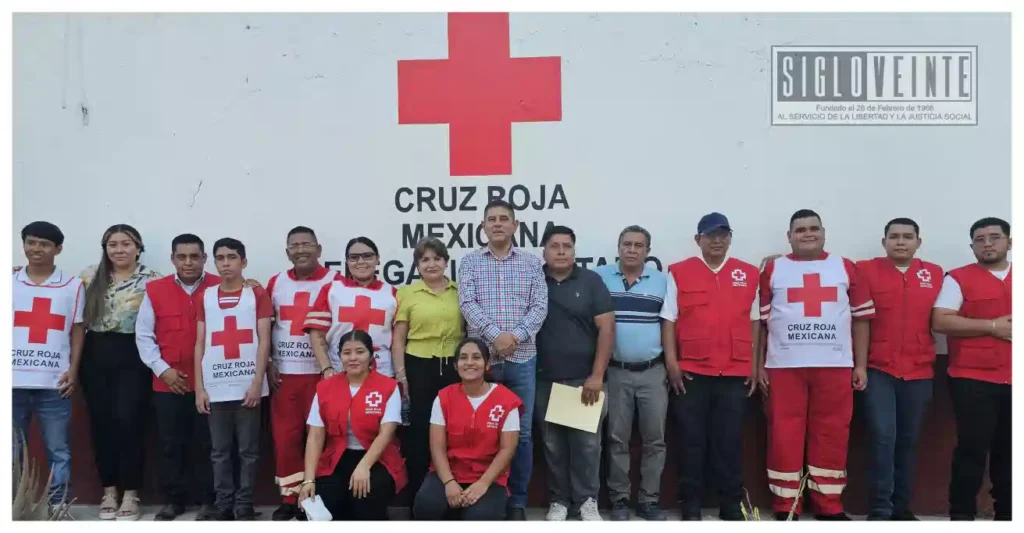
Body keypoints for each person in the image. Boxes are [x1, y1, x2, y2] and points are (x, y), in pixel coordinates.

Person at [756, 209, 874, 521]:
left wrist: (860, 365)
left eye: (813, 229)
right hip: (784, 367)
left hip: (835, 365)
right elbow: (760, 323)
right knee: (784, 434)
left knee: (832, 433)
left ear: (824, 232)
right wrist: (759, 366)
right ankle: (786, 505)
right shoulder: (772, 269)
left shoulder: (845, 267)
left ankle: (829, 506)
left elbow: (862, 320)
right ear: (789, 236)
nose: (807, 234)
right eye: (800, 230)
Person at [660, 213, 760, 521]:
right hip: (691, 373)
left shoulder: (748, 273)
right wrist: (672, 364)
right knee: (691, 441)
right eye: (710, 235)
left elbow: (756, 322)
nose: (717, 240)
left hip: (734, 373)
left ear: (730, 237)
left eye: (723, 234)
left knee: (728, 442)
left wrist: (754, 367)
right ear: (698, 239)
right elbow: (669, 320)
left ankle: (731, 506)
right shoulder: (679, 272)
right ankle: (690, 505)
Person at [457, 199, 547, 520]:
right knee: (482, 430)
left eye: (503, 219)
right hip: (483, 363)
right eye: (491, 219)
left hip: (523, 360)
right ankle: (487, 494)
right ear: (483, 226)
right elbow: (467, 304)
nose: (497, 224)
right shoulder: (468, 263)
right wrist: (495, 336)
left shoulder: (532, 263)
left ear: (515, 225)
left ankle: (517, 501)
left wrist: (516, 337)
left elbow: (539, 307)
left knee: (521, 434)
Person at [856, 218, 943, 521]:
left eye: (908, 236)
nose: (901, 242)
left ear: (919, 242)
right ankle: (881, 508)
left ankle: (902, 508)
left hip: (920, 371)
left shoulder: (933, 274)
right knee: (883, 437)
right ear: (884, 242)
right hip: (879, 369)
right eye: (894, 237)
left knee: (908, 439)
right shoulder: (865, 269)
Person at [78, 223, 161, 520]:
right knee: (102, 424)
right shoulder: (88, 277)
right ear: (105, 249)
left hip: (134, 355)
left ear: (138, 248)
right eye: (113, 244)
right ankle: (109, 490)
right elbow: (59, 295)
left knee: (130, 422)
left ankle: (131, 493)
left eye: (126, 244)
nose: (119, 250)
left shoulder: (152, 280)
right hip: (96, 354)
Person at [135, 234, 221, 521]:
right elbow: (144, 336)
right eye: (181, 256)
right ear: (172, 259)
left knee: (210, 444)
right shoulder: (155, 290)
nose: (188, 262)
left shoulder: (221, 287)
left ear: (204, 258)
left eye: (194, 256)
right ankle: (174, 500)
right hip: (167, 382)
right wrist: (163, 370)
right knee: (171, 444)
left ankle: (209, 501)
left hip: (211, 383)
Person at [932, 217, 1012, 522]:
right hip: (972, 379)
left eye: (995, 237)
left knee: (1010, 454)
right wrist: (992, 327)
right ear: (972, 246)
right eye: (980, 239)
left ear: (1009, 242)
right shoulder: (959, 278)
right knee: (972, 451)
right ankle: (961, 518)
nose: (988, 243)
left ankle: (1008, 517)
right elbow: (941, 320)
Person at [534, 225, 615, 522]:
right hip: (545, 379)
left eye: (567, 246)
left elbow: (606, 329)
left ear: (574, 251)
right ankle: (559, 501)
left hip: (585, 381)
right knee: (553, 446)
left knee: (587, 446)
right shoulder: (533, 280)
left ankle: (587, 501)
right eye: (554, 246)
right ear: (543, 251)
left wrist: (596, 376)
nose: (560, 251)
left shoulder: (591, 281)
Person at [265, 226, 342, 520]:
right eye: (294, 246)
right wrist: (270, 361)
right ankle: (289, 498)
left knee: (323, 437)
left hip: (323, 375)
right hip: (285, 374)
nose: (300, 250)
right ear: (287, 252)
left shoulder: (336, 282)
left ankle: (315, 496)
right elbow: (266, 325)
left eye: (306, 244)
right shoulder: (276, 282)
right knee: (286, 438)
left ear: (319, 249)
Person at [194, 238, 272, 521]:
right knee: (219, 451)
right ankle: (223, 505)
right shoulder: (206, 296)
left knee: (248, 450)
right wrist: (199, 388)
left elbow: (264, 341)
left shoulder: (257, 294)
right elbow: (200, 343)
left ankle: (244, 506)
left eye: (232, 257)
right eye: (220, 258)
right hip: (215, 386)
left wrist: (256, 382)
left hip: (247, 385)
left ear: (244, 261)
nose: (226, 263)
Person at [594, 225, 669, 521]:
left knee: (655, 439)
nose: (632, 250)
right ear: (618, 247)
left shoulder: (662, 282)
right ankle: (620, 500)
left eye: (639, 245)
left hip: (653, 371)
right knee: (616, 439)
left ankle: (649, 500)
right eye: (627, 244)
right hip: (615, 371)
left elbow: (670, 325)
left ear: (648, 252)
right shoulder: (600, 278)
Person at [12, 221, 85, 510]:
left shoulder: (73, 285)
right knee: (11, 450)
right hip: (12, 381)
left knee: (59, 450)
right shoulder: (10, 282)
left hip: (54, 383)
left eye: (44, 244)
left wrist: (74, 370)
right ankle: (13, 507)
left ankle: (58, 507)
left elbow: (77, 329)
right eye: (31, 242)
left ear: (58, 249)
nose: (36, 249)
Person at [298, 329, 407, 521]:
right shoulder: (325, 388)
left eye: (360, 352)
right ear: (339, 356)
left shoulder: (388, 387)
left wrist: (364, 466)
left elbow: (386, 433)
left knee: (366, 494)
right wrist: (308, 479)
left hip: (377, 457)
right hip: (337, 458)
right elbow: (315, 435)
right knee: (325, 503)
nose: (353, 358)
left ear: (371, 355)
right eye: (347, 353)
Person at [413, 338, 523, 521]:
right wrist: (449, 482)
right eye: (463, 358)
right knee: (426, 506)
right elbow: (437, 447)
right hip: (449, 471)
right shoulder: (443, 397)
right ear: (456, 365)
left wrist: (483, 484)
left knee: (479, 517)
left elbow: (507, 449)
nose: (470, 362)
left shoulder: (507, 400)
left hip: (488, 475)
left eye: (476, 357)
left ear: (487, 364)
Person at [392, 237, 464, 500]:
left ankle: (453, 489)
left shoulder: (460, 290)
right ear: (417, 265)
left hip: (455, 368)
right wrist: (402, 375)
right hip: (418, 365)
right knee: (420, 431)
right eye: (424, 259)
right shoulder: (407, 293)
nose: (431, 264)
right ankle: (419, 494)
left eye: (437, 258)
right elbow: (399, 339)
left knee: (453, 428)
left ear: (446, 262)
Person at [305, 237, 398, 378]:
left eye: (367, 256)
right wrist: (327, 369)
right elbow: (317, 334)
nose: (361, 262)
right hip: (339, 373)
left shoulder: (392, 293)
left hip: (382, 375)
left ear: (377, 259)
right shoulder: (331, 290)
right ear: (347, 261)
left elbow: (399, 340)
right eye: (354, 257)